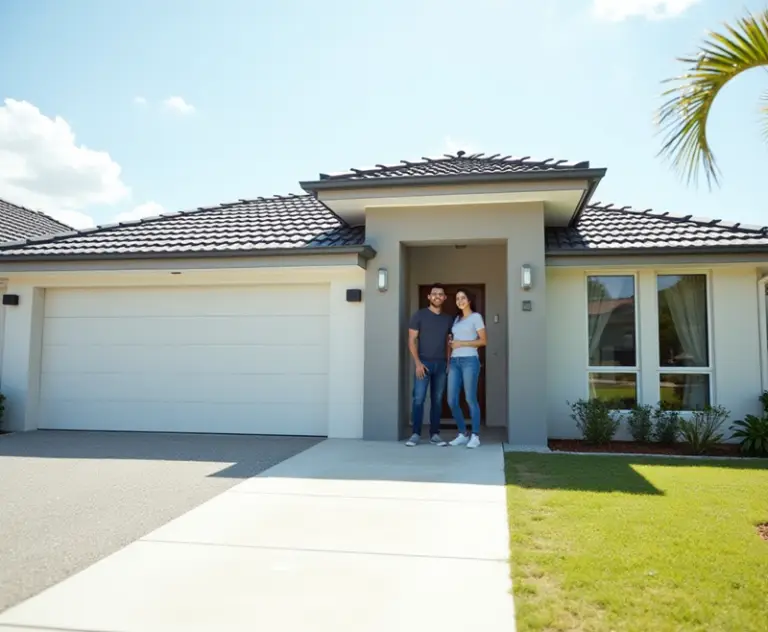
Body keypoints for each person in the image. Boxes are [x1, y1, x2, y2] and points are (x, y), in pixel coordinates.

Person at [405, 283, 454, 447]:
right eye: (434, 294)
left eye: (440, 294)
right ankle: (415, 434)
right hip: (423, 363)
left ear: (445, 297)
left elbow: (449, 343)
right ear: (429, 297)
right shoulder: (419, 316)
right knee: (418, 399)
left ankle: (435, 434)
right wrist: (417, 363)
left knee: (437, 400)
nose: (437, 296)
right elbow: (411, 340)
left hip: (441, 365)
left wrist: (448, 362)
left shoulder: (448, 319)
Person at [447, 289, 487, 449]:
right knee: (452, 400)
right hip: (455, 361)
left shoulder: (476, 317)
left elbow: (483, 341)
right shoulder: (456, 319)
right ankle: (463, 434)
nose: (460, 300)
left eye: (463, 298)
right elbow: (454, 341)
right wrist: (452, 344)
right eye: (457, 298)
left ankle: (475, 436)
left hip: (470, 360)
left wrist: (461, 343)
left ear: (469, 300)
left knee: (470, 398)